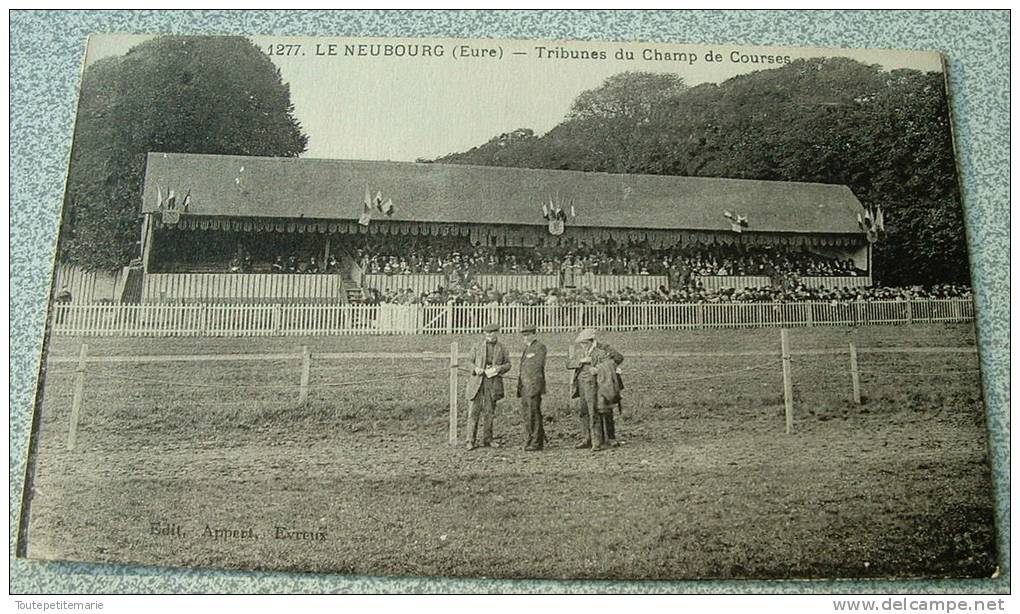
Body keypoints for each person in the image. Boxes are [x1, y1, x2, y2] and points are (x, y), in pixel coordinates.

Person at [571, 328, 624, 452]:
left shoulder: (604, 348)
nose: (583, 346)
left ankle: (609, 438)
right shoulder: (581, 351)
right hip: (587, 384)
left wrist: (607, 370)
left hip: (604, 383)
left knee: (605, 410)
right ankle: (588, 438)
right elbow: (570, 362)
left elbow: (618, 358)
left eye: (585, 343)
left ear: (591, 340)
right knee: (588, 410)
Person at [465, 322, 511, 450]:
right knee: (473, 412)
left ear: (497, 333)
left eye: (493, 332)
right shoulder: (477, 346)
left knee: (489, 412)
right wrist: (476, 369)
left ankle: (488, 439)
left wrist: (498, 368)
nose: (490, 335)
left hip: (492, 383)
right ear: (484, 333)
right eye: (488, 332)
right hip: (477, 383)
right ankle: (470, 440)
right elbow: (468, 362)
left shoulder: (502, 348)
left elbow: (508, 364)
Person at [515, 323, 547, 451]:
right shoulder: (527, 348)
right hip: (524, 387)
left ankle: (536, 442)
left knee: (534, 414)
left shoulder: (540, 347)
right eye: (524, 335)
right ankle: (530, 438)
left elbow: (537, 368)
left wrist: (533, 386)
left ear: (534, 334)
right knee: (527, 415)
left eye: (528, 335)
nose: (525, 338)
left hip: (533, 386)